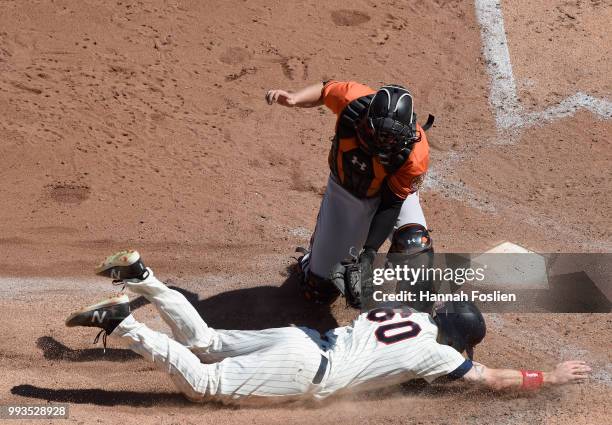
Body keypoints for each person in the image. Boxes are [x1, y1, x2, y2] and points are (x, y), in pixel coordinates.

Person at [65, 250, 591, 403]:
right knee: (205, 386)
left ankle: (143, 278)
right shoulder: (440, 358)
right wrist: (550, 376)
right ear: (456, 342)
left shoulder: (405, 314)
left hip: (300, 337)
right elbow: (493, 379)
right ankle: (127, 327)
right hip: (303, 370)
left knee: (205, 342)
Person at [266, 81, 435, 305]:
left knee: (414, 245)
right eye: (380, 135)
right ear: (367, 120)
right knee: (319, 291)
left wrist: (369, 253)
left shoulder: (415, 154)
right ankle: (311, 261)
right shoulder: (352, 101)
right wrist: (294, 98)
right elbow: (325, 90)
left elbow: (391, 204)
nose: (384, 143)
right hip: (347, 191)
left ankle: (417, 310)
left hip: (388, 190)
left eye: (392, 139)